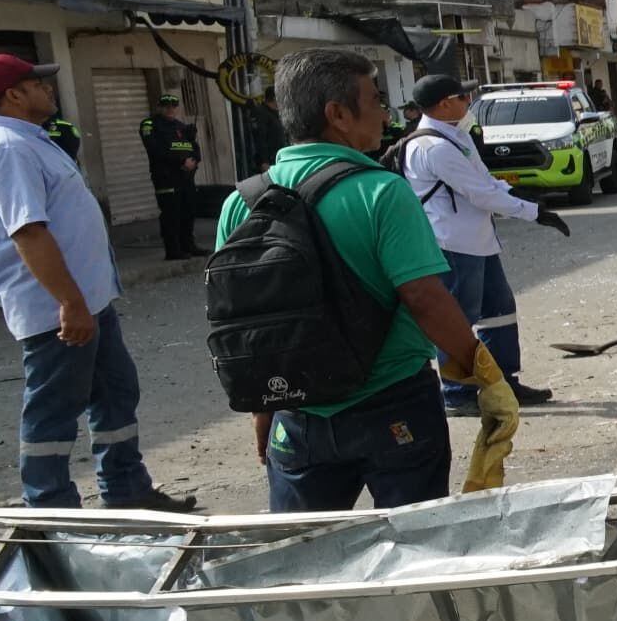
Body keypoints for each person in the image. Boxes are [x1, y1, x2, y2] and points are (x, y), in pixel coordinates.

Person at [208, 50, 488, 511]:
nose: (386, 112)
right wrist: (483, 374)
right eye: (375, 100)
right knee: (413, 555)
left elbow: (248, 319)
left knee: (303, 559)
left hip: (297, 413)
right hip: (392, 403)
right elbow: (424, 298)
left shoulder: (241, 202)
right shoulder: (381, 190)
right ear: (337, 115)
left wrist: (265, 407)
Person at [0, 52, 191, 512]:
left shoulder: (23, 138)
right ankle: (50, 508)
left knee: (115, 391)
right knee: (53, 409)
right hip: (58, 308)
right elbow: (28, 230)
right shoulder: (6, 148)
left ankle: (126, 489)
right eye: (37, 84)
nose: (48, 90)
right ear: (14, 95)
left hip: (87, 299)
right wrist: (69, 302)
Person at [399, 73, 564, 412]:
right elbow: (480, 194)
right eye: (462, 97)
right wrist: (532, 212)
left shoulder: (456, 136)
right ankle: (457, 394)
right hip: (453, 246)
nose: (467, 102)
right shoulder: (433, 147)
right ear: (444, 104)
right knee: (458, 320)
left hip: (479, 241)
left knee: (499, 313)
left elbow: (486, 181)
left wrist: (518, 194)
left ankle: (504, 383)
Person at [140, 94, 207, 260]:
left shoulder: (181, 127)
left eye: (173, 106)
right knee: (171, 214)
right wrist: (181, 162)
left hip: (186, 177)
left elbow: (194, 149)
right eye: (166, 106)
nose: (170, 109)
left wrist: (193, 161)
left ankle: (189, 245)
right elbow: (155, 150)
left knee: (188, 211)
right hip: (166, 177)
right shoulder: (150, 125)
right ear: (159, 107)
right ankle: (173, 250)